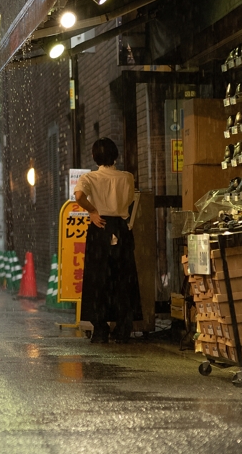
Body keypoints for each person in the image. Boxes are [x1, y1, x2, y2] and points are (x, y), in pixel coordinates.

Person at [73, 138, 141, 344]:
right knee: (123, 278)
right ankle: (123, 327)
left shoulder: (90, 178)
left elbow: (78, 196)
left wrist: (92, 210)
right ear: (116, 155)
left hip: (99, 227)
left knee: (98, 278)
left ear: (95, 157)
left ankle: (100, 328)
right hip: (121, 228)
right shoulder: (127, 177)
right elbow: (129, 200)